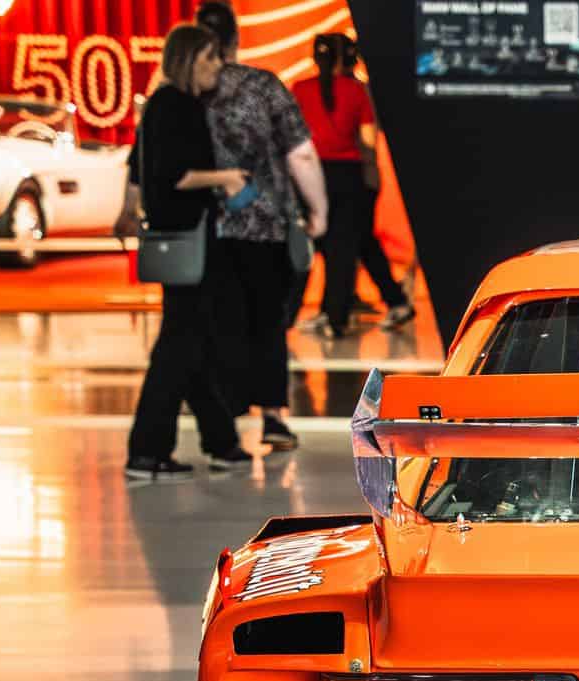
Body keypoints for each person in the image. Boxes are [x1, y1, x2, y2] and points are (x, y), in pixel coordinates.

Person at [193, 1, 328, 454]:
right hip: (266, 227)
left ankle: (225, 420)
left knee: (220, 322)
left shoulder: (187, 91)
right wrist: (318, 210)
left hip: (208, 228)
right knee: (268, 323)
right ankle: (272, 418)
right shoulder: (264, 86)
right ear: (236, 39)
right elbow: (300, 153)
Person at [125, 24, 253, 480]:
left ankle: (221, 441)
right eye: (209, 58)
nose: (218, 65)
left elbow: (145, 169)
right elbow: (175, 174)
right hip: (190, 239)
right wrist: (228, 178)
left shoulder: (168, 104)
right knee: (180, 346)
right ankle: (147, 450)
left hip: (185, 239)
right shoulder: (175, 106)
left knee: (192, 342)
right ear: (188, 60)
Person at [292, 33, 415, 338]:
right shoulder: (357, 90)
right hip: (352, 178)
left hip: (310, 175)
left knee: (326, 245)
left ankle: (320, 313)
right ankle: (340, 314)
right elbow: (368, 139)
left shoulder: (300, 89)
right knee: (348, 245)